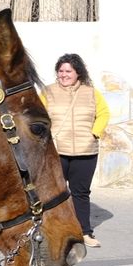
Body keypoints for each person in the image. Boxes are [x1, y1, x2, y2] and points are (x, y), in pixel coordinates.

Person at [42, 54, 109, 247]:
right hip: (56, 152)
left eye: (68, 71)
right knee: (54, 194)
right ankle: (52, 232)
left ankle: (84, 232)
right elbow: (38, 116)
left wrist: (94, 133)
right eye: (61, 71)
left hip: (86, 152)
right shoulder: (48, 92)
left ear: (77, 72)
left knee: (80, 193)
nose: (64, 75)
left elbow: (104, 113)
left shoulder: (91, 92)